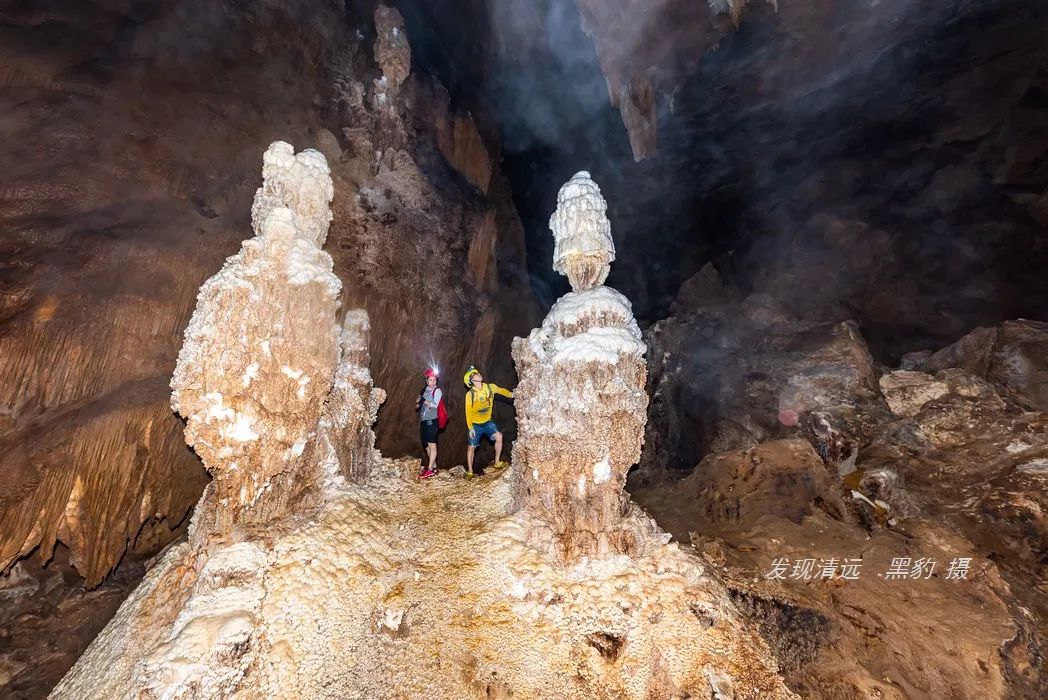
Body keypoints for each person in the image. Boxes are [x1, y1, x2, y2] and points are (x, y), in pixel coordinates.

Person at [462, 365, 513, 478]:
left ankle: (497, 462)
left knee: (499, 436)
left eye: (477, 373)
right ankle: (470, 471)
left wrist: (511, 394)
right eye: (474, 374)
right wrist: (470, 428)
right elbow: (468, 411)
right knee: (471, 447)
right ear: (471, 380)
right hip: (475, 424)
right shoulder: (470, 395)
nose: (478, 374)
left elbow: (501, 391)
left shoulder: (490, 388)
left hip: (487, 422)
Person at [416, 367, 444, 479]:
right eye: (430, 380)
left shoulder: (437, 391)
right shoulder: (424, 391)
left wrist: (424, 401)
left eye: (434, 380)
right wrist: (418, 402)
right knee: (426, 445)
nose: (432, 382)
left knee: (432, 444)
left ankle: (430, 469)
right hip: (423, 420)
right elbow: (417, 406)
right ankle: (434, 467)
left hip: (432, 420)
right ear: (427, 381)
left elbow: (435, 405)